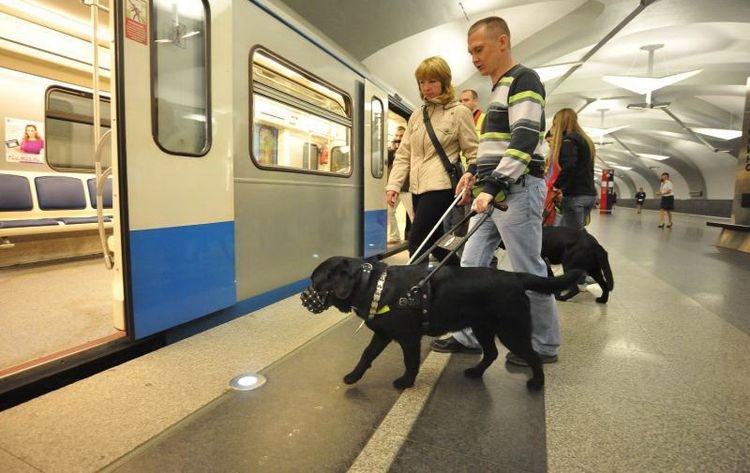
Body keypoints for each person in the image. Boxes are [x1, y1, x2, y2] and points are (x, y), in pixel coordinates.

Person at [431, 16, 560, 365]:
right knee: (471, 262)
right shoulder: (498, 88)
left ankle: (545, 345)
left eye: (479, 49)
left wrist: (495, 183)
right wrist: (473, 172)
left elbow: (525, 136)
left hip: (515, 191)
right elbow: (495, 145)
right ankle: (468, 334)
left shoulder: (524, 80)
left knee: (527, 268)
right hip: (493, 191)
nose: (474, 58)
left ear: (502, 41)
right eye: (470, 52)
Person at [385, 56, 478, 264]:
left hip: (441, 186)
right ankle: (456, 276)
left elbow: (474, 151)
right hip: (417, 188)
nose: (426, 87)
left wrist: (470, 178)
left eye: (432, 81)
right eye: (422, 82)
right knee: (435, 241)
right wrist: (393, 184)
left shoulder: (459, 112)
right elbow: (403, 154)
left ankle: (412, 289)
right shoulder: (417, 116)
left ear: (444, 82)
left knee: (417, 240)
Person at [548, 108, 597, 230]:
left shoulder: (569, 140)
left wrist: (557, 186)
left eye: (555, 124)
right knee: (577, 234)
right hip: (589, 195)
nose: (554, 127)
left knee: (573, 237)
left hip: (575, 196)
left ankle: (587, 249)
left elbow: (569, 165)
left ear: (561, 123)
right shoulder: (585, 141)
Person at [386, 126, 412, 243]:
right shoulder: (390, 152)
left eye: (401, 136)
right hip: (395, 189)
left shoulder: (410, 152)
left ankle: (420, 239)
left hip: (408, 188)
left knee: (414, 216)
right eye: (396, 136)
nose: (398, 138)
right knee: (389, 212)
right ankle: (394, 236)